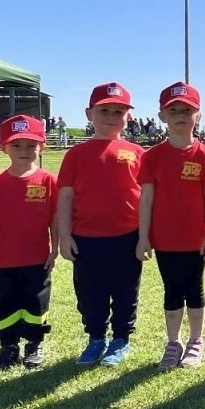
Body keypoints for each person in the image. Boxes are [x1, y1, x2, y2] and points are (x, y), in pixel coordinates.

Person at [57, 82, 146, 367]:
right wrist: (64, 235)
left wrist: (145, 235)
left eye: (119, 111)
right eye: (104, 110)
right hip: (85, 237)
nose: (111, 116)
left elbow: (146, 197)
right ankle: (96, 338)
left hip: (127, 236)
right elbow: (66, 196)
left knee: (125, 290)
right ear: (89, 113)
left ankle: (120, 339)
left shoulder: (136, 152)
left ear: (128, 117)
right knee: (90, 292)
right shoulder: (76, 154)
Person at [137, 82, 205, 371]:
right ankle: (173, 343)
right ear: (162, 116)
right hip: (164, 238)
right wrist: (143, 236)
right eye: (174, 111)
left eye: (187, 110)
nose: (180, 115)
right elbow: (146, 198)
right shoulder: (152, 156)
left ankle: (196, 341)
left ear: (198, 115)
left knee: (194, 289)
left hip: (195, 238)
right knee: (171, 290)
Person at [0, 114, 58, 370]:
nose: (24, 151)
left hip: (36, 258)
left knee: (36, 302)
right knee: (4, 303)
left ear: (42, 147)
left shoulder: (48, 181)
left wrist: (55, 249)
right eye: (17, 145)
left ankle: (34, 344)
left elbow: (55, 220)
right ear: (4, 148)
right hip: (3, 260)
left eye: (31, 145)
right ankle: (8, 346)